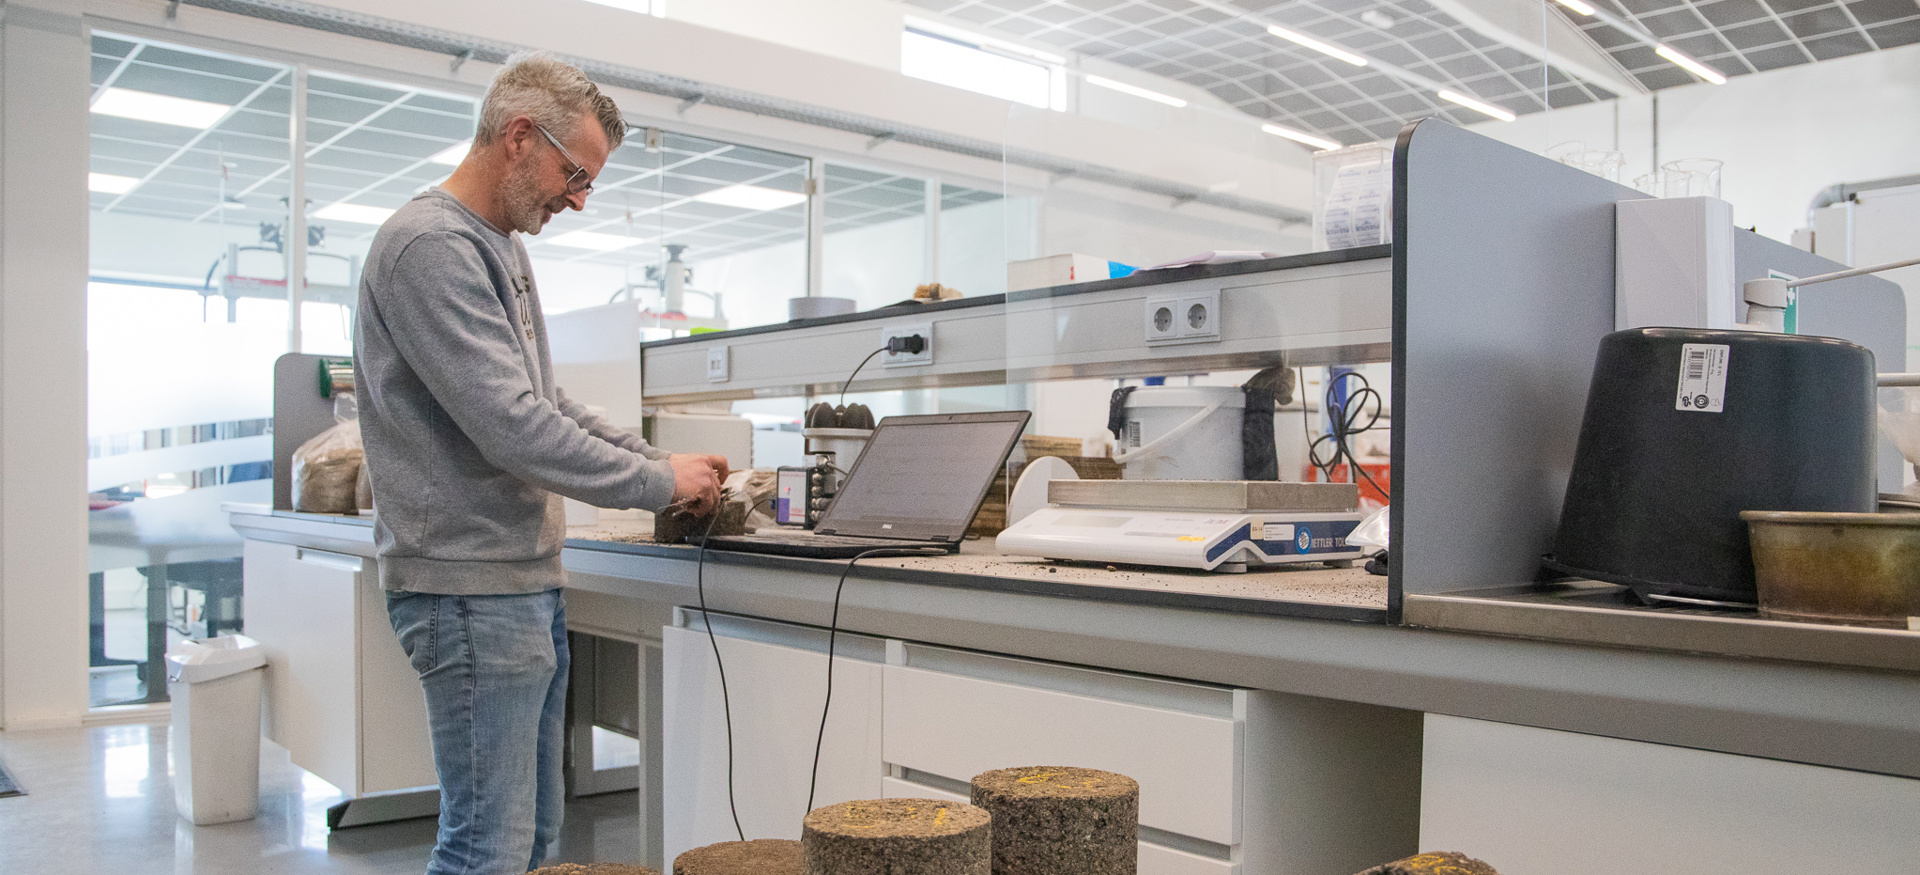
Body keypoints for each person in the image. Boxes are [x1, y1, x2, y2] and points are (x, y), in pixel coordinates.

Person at [355, 51, 727, 875]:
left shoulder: (498, 245)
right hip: (467, 589)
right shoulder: (429, 247)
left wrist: (659, 459)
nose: (579, 197)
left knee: (529, 842)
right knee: (484, 847)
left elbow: (545, 401)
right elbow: (513, 428)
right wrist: (657, 484)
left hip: (517, 584)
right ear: (519, 136)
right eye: (575, 173)